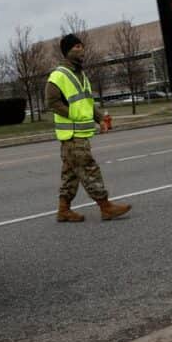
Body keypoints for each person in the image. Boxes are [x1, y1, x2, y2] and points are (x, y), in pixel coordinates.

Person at [45, 34, 131, 222]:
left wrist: (100, 118)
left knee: (70, 174)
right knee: (89, 168)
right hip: (72, 134)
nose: (81, 49)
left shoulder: (80, 75)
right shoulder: (59, 75)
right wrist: (74, 115)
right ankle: (105, 206)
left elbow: (86, 102)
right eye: (77, 46)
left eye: (82, 46)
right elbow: (51, 102)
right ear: (67, 51)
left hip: (81, 133)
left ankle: (63, 210)